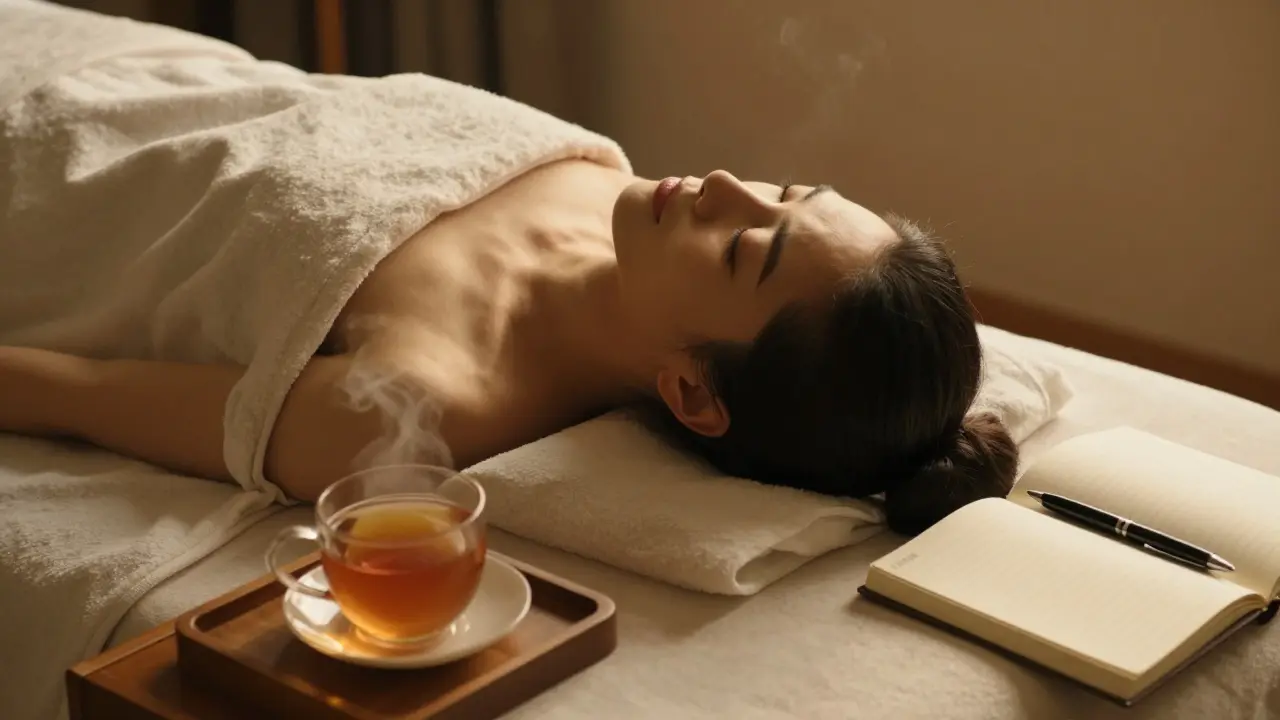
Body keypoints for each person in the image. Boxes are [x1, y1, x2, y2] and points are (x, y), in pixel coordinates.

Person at [1, 156, 1016, 535]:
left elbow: (66, 388)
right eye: (788, 190)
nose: (719, 186)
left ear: (694, 396)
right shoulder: (607, 181)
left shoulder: (412, 411)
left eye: (745, 244)